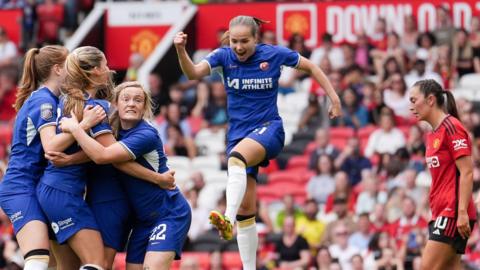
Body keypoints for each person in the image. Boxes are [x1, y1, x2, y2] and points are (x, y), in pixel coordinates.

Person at [174, 15, 341, 269]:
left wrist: (334, 98)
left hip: (269, 130)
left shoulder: (273, 54)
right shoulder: (222, 56)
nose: (238, 47)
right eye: (234, 41)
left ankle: (226, 219)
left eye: (244, 41)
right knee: (247, 212)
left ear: (256, 38)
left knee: (235, 160)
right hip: (238, 136)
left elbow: (312, 67)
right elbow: (193, 72)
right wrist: (180, 49)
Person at [59, 81, 191, 270]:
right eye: (126, 99)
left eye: (138, 100)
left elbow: (102, 156)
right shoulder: (115, 132)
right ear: (116, 104)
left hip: (168, 212)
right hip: (142, 220)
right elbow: (119, 163)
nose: (131, 104)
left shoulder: (146, 134)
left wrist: (75, 128)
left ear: (144, 107)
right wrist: (69, 160)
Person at [0, 45, 106, 270]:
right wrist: (85, 124)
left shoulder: (52, 99)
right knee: (38, 259)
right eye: (70, 63)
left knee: (67, 264)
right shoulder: (44, 101)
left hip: (39, 188)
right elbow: (50, 147)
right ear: (58, 69)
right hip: (21, 187)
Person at [409, 79, 477, 270]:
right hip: (441, 211)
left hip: (453, 212)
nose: (411, 107)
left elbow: (467, 172)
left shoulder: (452, 127)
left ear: (430, 100)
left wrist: (462, 212)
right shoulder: (433, 134)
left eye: (414, 100)